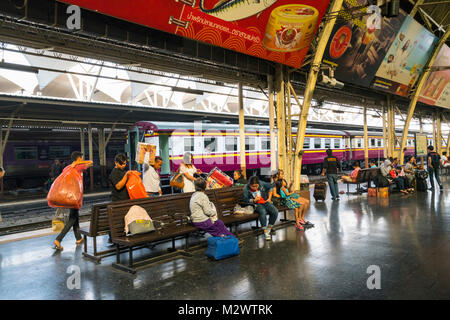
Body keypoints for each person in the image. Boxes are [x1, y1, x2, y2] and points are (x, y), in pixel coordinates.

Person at [53, 151, 93, 251]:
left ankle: (78, 238)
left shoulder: (67, 167)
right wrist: (78, 163)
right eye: (82, 158)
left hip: (69, 195)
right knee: (72, 219)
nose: (83, 160)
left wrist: (74, 164)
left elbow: (64, 171)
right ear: (79, 158)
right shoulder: (79, 167)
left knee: (75, 217)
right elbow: (91, 163)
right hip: (74, 195)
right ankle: (58, 239)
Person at [243, 176, 278, 241]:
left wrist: (269, 198)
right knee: (263, 211)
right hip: (255, 204)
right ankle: (265, 232)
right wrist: (253, 200)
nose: (255, 188)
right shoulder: (246, 188)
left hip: (264, 201)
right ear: (249, 184)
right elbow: (245, 199)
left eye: (256, 186)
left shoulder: (261, 183)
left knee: (275, 211)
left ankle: (269, 229)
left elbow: (271, 186)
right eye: (253, 186)